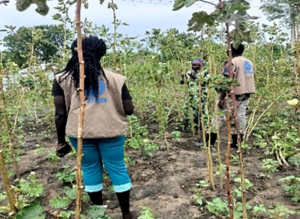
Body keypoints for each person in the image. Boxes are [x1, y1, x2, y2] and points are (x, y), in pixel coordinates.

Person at [51, 36, 139, 219]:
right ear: (101, 54)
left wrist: (60, 141)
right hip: (111, 130)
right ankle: (126, 213)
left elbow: (60, 114)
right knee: (117, 167)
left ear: (74, 51)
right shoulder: (116, 78)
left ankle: (99, 212)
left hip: (80, 133)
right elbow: (129, 110)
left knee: (90, 168)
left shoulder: (62, 79)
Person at [203, 44, 255, 148]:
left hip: (231, 96)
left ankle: (209, 143)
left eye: (228, 49)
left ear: (232, 51)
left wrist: (222, 98)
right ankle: (237, 143)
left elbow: (226, 82)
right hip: (245, 96)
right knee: (240, 118)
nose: (226, 51)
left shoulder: (232, 63)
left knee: (218, 118)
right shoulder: (249, 62)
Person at [180, 58, 209, 134]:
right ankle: (191, 126)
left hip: (200, 96)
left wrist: (194, 78)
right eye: (192, 65)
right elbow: (182, 82)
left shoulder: (205, 73)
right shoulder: (189, 72)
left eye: (196, 65)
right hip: (190, 96)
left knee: (201, 111)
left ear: (201, 66)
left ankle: (203, 127)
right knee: (189, 110)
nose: (193, 66)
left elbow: (205, 83)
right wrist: (184, 78)